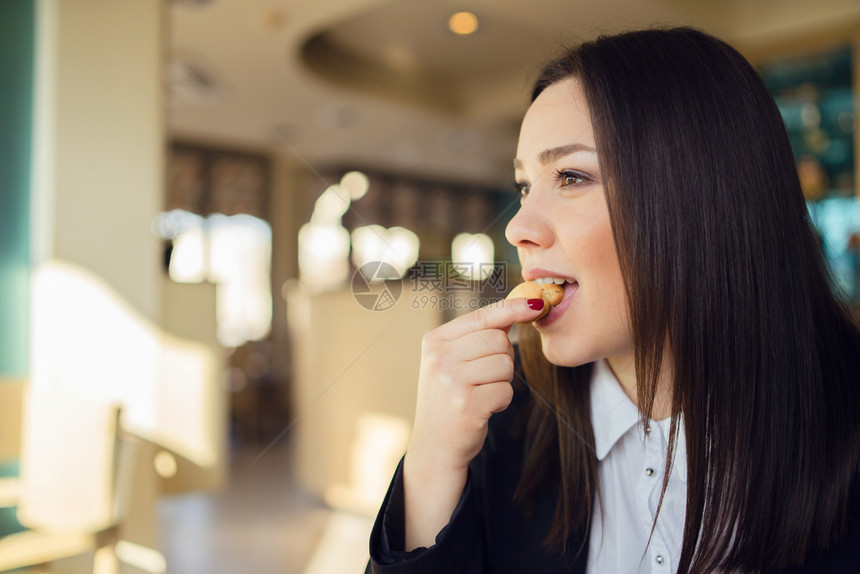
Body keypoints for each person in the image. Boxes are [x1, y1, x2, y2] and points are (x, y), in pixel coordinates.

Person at [365, 27, 860, 573]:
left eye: (571, 176)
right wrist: (432, 462)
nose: (519, 227)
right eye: (525, 186)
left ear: (700, 196)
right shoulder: (500, 428)